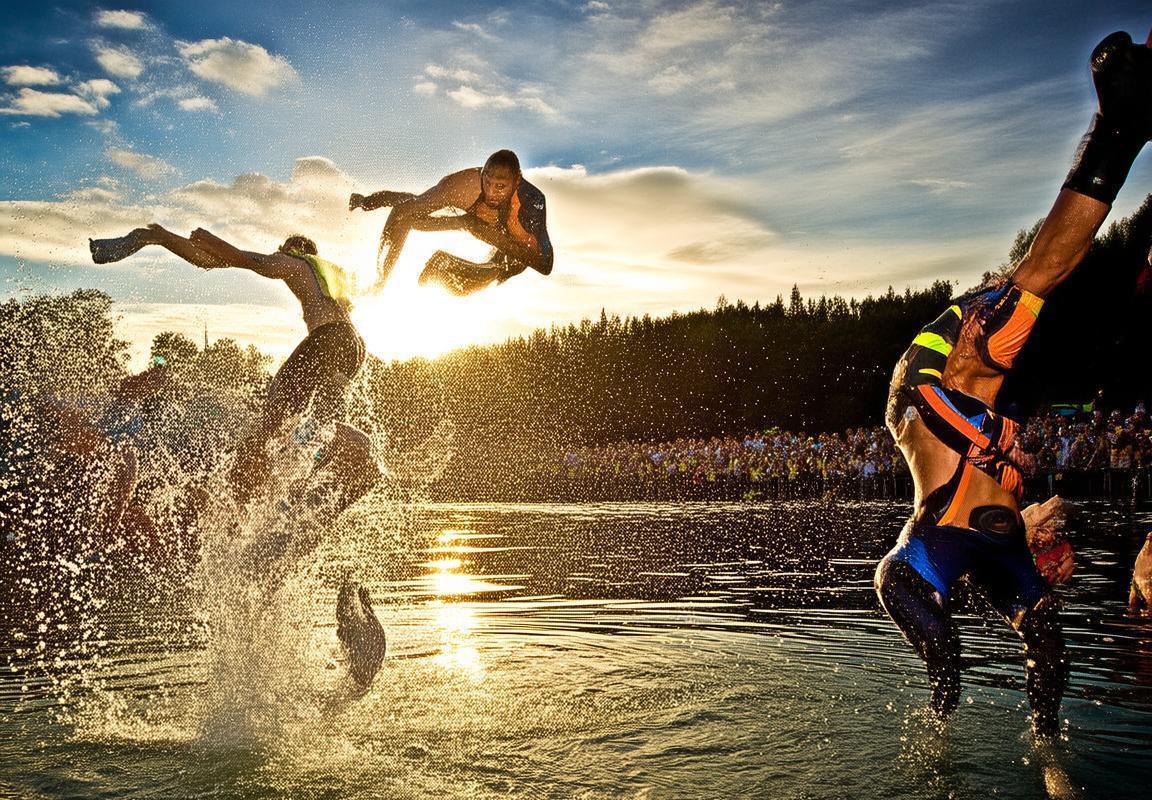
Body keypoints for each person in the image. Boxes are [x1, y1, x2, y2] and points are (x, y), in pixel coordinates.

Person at [874, 29, 1151, 738]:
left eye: (1057, 561)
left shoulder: (978, 536)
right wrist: (1043, 512)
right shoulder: (996, 530)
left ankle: (1042, 744)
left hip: (930, 399)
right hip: (939, 414)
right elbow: (993, 496)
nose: (1063, 568)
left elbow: (1000, 522)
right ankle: (1120, 132)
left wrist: (1042, 518)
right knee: (1034, 291)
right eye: (1063, 562)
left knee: (1039, 650)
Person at [89, 225, 366, 500]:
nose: (277, 257)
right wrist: (165, 240)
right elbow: (219, 262)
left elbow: (250, 261)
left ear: (292, 250)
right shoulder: (332, 275)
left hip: (327, 339)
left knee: (273, 415)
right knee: (305, 420)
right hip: (355, 347)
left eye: (280, 252)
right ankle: (305, 472)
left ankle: (250, 484)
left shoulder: (294, 261)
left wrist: (212, 240)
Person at [349, 149, 553, 295]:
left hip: (512, 253)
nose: (491, 193)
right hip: (468, 221)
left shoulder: (531, 204)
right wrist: (381, 279)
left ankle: (441, 266)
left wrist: (486, 233)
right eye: (487, 183)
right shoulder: (463, 186)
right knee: (410, 214)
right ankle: (376, 284)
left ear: (516, 182)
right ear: (482, 174)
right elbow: (406, 208)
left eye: (500, 187)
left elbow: (545, 265)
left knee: (492, 271)